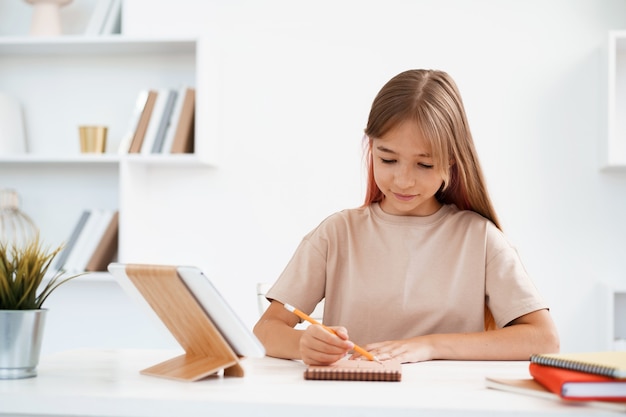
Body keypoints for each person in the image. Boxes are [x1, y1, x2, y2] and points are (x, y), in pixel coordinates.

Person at [253, 69, 560, 366]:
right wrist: (304, 343)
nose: (403, 180)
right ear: (370, 147)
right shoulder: (336, 234)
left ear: (452, 162)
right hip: (353, 400)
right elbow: (266, 330)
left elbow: (543, 338)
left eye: (424, 165)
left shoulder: (479, 238)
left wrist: (428, 346)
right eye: (388, 159)